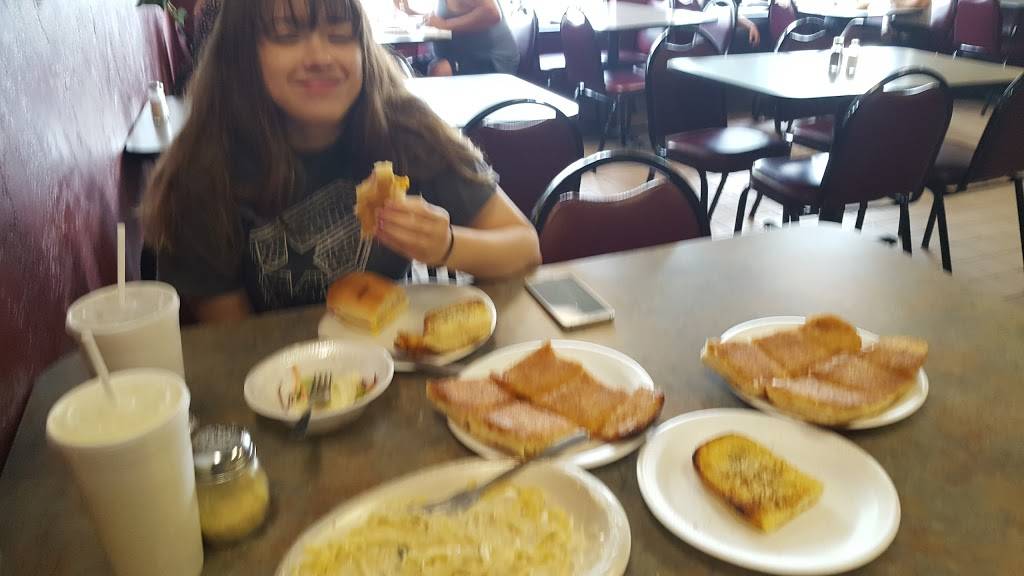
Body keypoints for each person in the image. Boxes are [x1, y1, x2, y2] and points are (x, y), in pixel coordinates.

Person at [142, 0, 541, 323]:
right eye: (286, 35)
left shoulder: (405, 128)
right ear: (241, 55)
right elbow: (236, 342)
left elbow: (524, 247)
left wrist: (447, 244)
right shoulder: (204, 173)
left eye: (340, 34)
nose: (320, 56)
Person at [393, 0, 519, 76]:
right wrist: (409, 11)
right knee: (400, 66)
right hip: (458, 55)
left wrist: (445, 25)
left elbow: (492, 13)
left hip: (491, 60)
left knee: (440, 69)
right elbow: (440, 20)